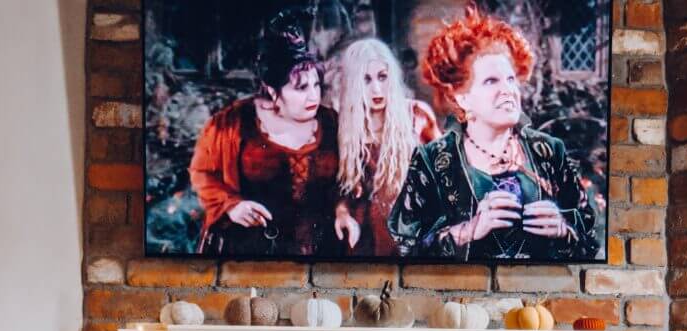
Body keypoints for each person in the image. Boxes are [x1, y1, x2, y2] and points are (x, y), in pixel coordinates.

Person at [387, 4, 600, 262]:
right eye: (491, 81)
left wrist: (563, 231)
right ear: (462, 97)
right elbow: (405, 248)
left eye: (511, 80)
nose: (508, 90)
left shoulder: (549, 152)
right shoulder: (431, 161)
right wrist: (467, 231)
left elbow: (590, 242)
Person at [189, 14, 340, 257]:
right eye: (301, 87)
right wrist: (231, 204)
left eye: (316, 85)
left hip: (321, 252)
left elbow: (350, 182)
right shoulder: (232, 123)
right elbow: (202, 173)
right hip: (249, 252)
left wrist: (343, 211)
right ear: (272, 90)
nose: (313, 96)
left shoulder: (332, 123)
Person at [333, 37, 439, 256]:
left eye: (382, 77)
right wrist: (342, 214)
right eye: (366, 80)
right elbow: (341, 191)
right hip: (363, 239)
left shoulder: (417, 116)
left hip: (411, 236)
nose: (376, 89)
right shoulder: (345, 128)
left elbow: (447, 170)